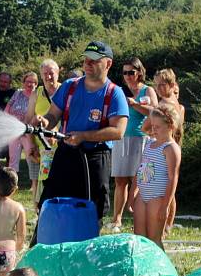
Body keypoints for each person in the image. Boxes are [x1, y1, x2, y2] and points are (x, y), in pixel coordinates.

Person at [34, 41, 129, 228]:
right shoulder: (69, 86)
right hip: (66, 155)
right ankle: (45, 247)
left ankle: (87, 250)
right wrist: (44, 122)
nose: (87, 64)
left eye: (94, 60)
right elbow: (53, 115)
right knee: (52, 204)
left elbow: (118, 131)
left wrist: (84, 136)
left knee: (92, 210)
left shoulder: (114, 94)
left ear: (108, 64)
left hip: (95, 158)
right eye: (86, 59)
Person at [110, 57, 157, 231]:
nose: (128, 76)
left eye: (131, 72)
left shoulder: (147, 90)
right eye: (125, 73)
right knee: (120, 180)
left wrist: (135, 104)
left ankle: (141, 216)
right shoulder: (120, 91)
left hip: (141, 139)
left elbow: (155, 111)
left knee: (141, 179)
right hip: (121, 138)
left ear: (139, 72)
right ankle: (117, 219)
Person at [133, 105, 183, 250]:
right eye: (153, 126)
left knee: (154, 239)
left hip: (158, 197)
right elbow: (141, 170)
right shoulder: (149, 143)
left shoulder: (171, 148)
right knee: (140, 238)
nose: (154, 130)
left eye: (158, 127)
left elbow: (173, 178)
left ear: (171, 126)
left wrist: (165, 206)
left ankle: (161, 270)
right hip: (142, 196)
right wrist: (132, 194)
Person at [25, 59, 62, 202]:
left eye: (51, 73)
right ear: (41, 75)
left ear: (58, 73)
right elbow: (28, 120)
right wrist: (31, 144)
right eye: (45, 73)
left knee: (60, 178)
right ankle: (40, 210)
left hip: (62, 144)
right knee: (41, 180)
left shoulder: (65, 90)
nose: (48, 76)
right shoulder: (36, 93)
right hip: (42, 147)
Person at [3, 72, 38, 173]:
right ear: (23, 83)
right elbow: (8, 107)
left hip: (28, 133)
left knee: (31, 158)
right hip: (14, 131)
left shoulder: (37, 95)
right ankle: (12, 184)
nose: (30, 84)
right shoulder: (18, 93)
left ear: (36, 84)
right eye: (27, 81)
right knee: (13, 159)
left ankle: (34, 185)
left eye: (33, 82)